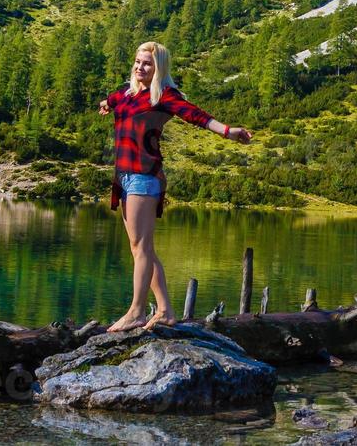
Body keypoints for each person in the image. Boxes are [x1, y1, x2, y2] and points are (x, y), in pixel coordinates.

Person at [98, 41, 252, 332]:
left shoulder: (164, 96)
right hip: (124, 177)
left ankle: (136, 311)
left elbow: (197, 116)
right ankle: (166, 309)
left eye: (147, 64)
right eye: (137, 61)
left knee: (141, 246)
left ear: (159, 69)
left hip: (145, 175)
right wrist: (106, 104)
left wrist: (228, 132)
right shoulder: (126, 94)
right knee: (139, 248)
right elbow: (111, 99)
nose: (139, 67)